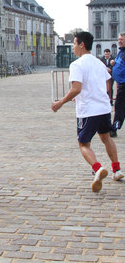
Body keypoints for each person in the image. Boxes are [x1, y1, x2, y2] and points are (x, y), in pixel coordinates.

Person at [51, 32, 124, 193]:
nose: (74, 48)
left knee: (83, 143)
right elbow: (107, 83)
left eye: (75, 44)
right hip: (103, 107)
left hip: (88, 110)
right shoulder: (99, 63)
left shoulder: (77, 65)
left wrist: (60, 102)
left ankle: (97, 169)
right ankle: (117, 169)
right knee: (106, 138)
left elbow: (76, 88)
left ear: (81, 44)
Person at [111, 33, 125, 137]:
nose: (119, 41)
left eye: (121, 39)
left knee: (119, 106)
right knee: (119, 106)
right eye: (118, 39)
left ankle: (115, 127)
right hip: (120, 84)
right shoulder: (121, 52)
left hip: (123, 84)